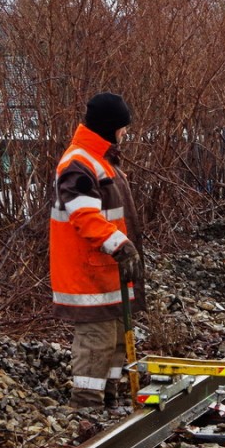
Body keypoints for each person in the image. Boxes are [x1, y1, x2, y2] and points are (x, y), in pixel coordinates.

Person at [49, 92, 145, 411]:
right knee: (96, 339)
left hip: (105, 270)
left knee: (116, 336)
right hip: (88, 273)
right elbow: (84, 216)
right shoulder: (79, 163)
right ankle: (86, 403)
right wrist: (120, 246)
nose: (125, 133)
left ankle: (108, 396)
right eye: (122, 127)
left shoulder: (100, 159)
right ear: (109, 127)